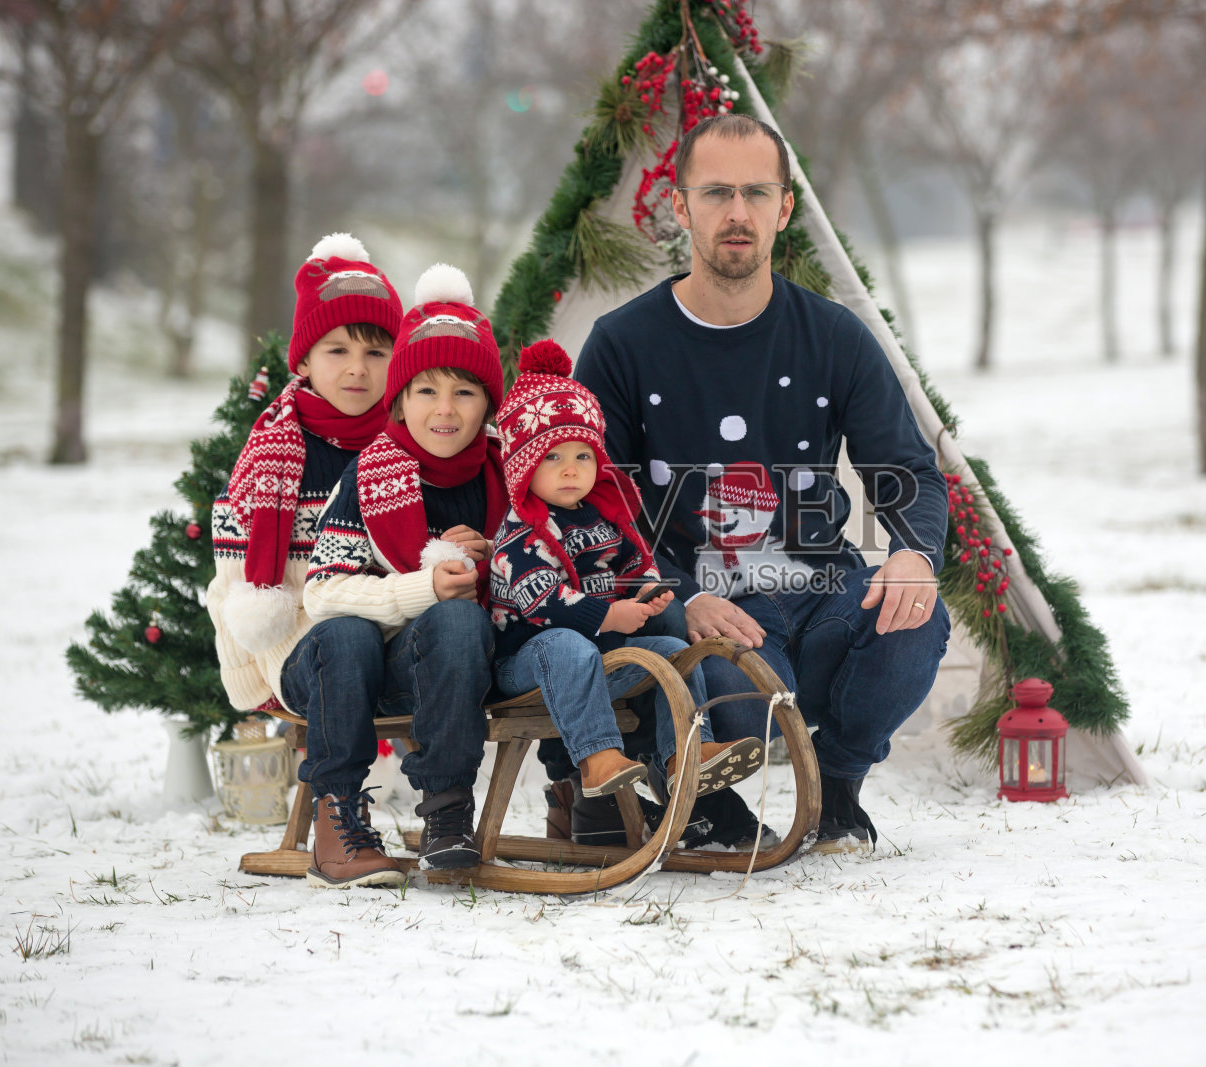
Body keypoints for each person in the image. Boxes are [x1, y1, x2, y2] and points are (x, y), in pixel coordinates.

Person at [574, 113, 951, 854]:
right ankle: (700, 796)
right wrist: (678, 598)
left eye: (756, 192)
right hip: (700, 609)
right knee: (722, 679)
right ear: (680, 207)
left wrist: (913, 555)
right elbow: (591, 505)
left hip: (820, 596)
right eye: (716, 192)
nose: (736, 213)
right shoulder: (623, 346)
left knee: (915, 617)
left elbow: (907, 471)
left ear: (784, 208)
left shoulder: (834, 336)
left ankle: (837, 788)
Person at [290, 263, 506, 886]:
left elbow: (545, 576)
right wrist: (423, 585)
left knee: (460, 620)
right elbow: (324, 592)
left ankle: (445, 813)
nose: (445, 411)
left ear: (488, 403)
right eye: (425, 391)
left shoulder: (506, 482)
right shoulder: (370, 475)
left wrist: (495, 559)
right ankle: (338, 815)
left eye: (464, 392)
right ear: (401, 399)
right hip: (335, 672)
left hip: (437, 672)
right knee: (349, 631)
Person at [205, 232, 405, 883]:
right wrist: (260, 675)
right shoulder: (272, 457)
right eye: (337, 350)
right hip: (303, 652)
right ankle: (337, 817)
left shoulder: (411, 442)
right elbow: (234, 587)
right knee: (340, 633)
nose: (357, 369)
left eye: (376, 352)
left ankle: (506, 802)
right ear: (306, 359)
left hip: (398, 638)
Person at [490, 341, 762, 806]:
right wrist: (608, 615)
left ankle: (687, 753)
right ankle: (598, 758)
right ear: (523, 465)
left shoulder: (601, 517)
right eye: (552, 457)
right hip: (529, 665)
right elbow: (542, 599)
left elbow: (633, 564)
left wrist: (649, 591)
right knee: (568, 644)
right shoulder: (519, 533)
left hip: (597, 658)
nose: (571, 470)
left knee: (674, 652)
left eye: (583, 456)